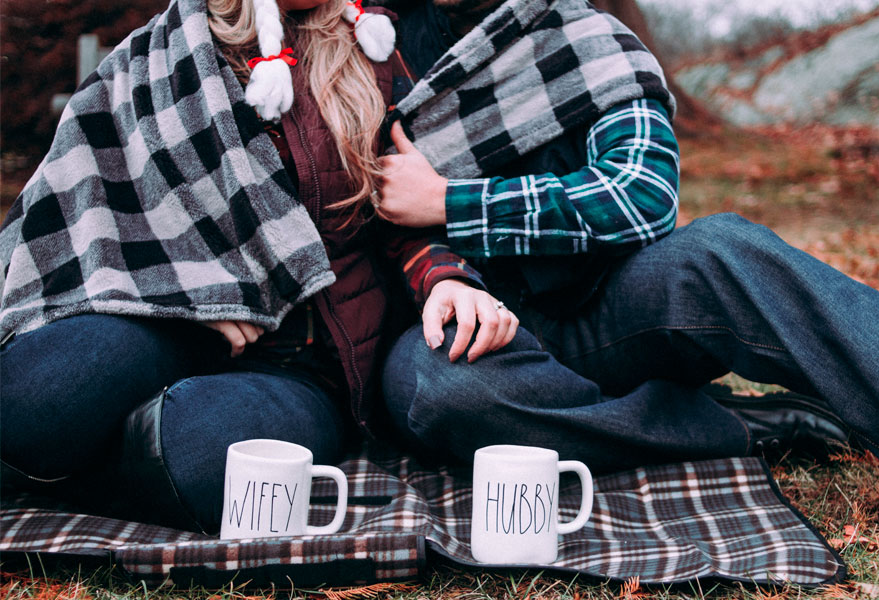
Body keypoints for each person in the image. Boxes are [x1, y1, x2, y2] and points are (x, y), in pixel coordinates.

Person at [0, 0, 519, 534]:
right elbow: (97, 205)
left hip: (298, 365)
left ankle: (71, 465)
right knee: (29, 396)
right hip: (167, 318)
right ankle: (81, 448)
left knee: (200, 453)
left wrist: (445, 276)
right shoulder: (163, 50)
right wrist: (187, 299)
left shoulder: (373, 50)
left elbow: (409, 208)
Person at [373, 0, 879, 474]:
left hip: (607, 311)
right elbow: (380, 215)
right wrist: (447, 269)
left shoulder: (590, 41)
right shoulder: (377, 47)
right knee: (432, 389)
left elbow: (640, 196)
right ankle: (732, 427)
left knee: (720, 251)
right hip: (474, 335)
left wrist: (448, 201)